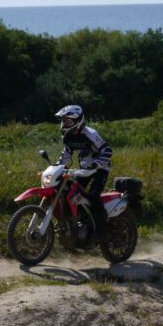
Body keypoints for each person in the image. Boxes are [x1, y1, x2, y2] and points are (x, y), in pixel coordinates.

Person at [55, 104, 113, 242]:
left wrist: (96, 164)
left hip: (100, 169)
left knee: (93, 196)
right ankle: (78, 228)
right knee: (72, 194)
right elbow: (66, 156)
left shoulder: (90, 134)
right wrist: (56, 167)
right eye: (63, 120)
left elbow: (107, 151)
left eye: (67, 121)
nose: (64, 124)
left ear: (77, 120)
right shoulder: (68, 137)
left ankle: (102, 232)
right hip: (84, 170)